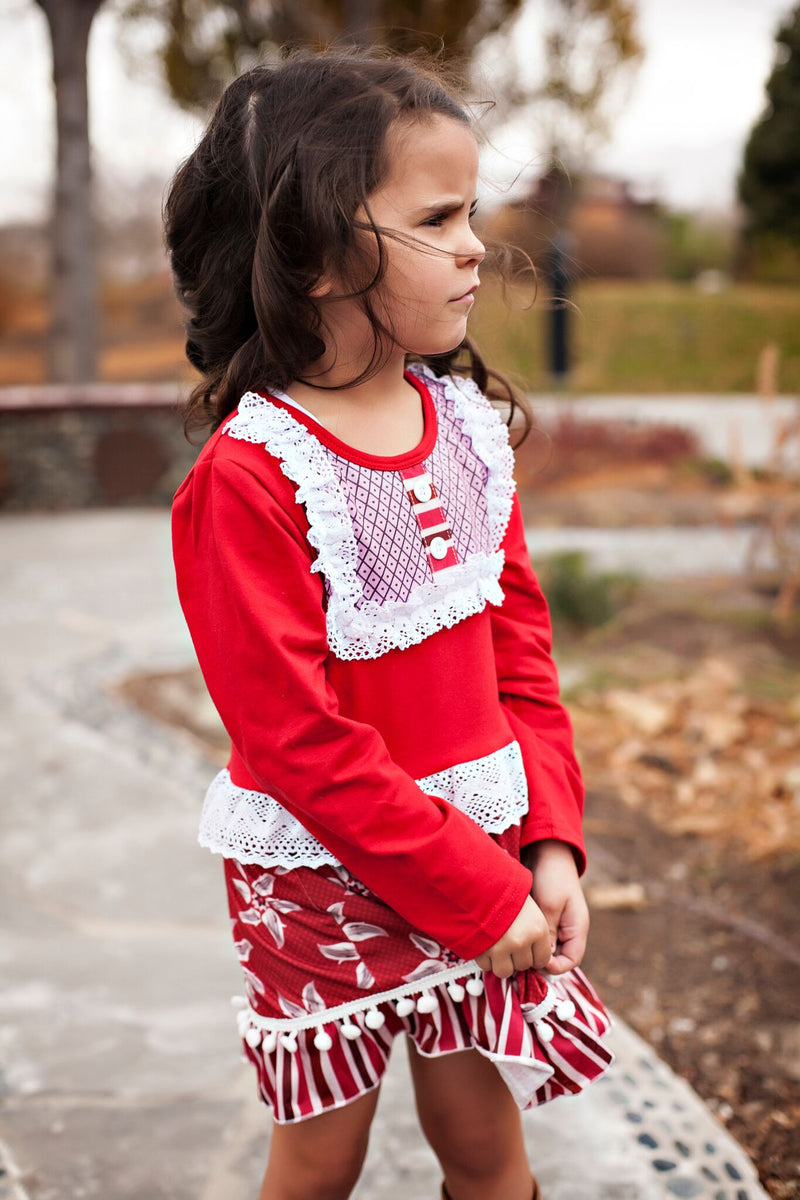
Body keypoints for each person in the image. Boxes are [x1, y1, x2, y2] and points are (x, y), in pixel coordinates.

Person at [168, 49, 612, 1200]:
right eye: (438, 216)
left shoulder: (463, 427)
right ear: (316, 256)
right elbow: (294, 745)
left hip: (483, 861)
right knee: (322, 1159)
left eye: (473, 211)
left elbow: (520, 655)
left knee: (480, 1139)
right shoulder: (251, 479)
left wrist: (548, 843)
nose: (475, 243)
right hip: (323, 883)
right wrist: (474, 893)